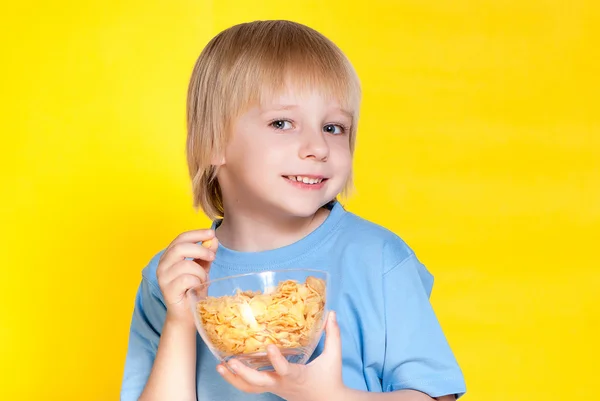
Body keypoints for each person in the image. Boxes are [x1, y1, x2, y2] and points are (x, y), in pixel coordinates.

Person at [120, 19, 466, 401]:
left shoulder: (378, 259)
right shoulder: (173, 278)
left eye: (334, 128)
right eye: (282, 123)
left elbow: (436, 396)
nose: (317, 147)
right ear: (214, 142)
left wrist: (326, 396)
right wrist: (181, 321)